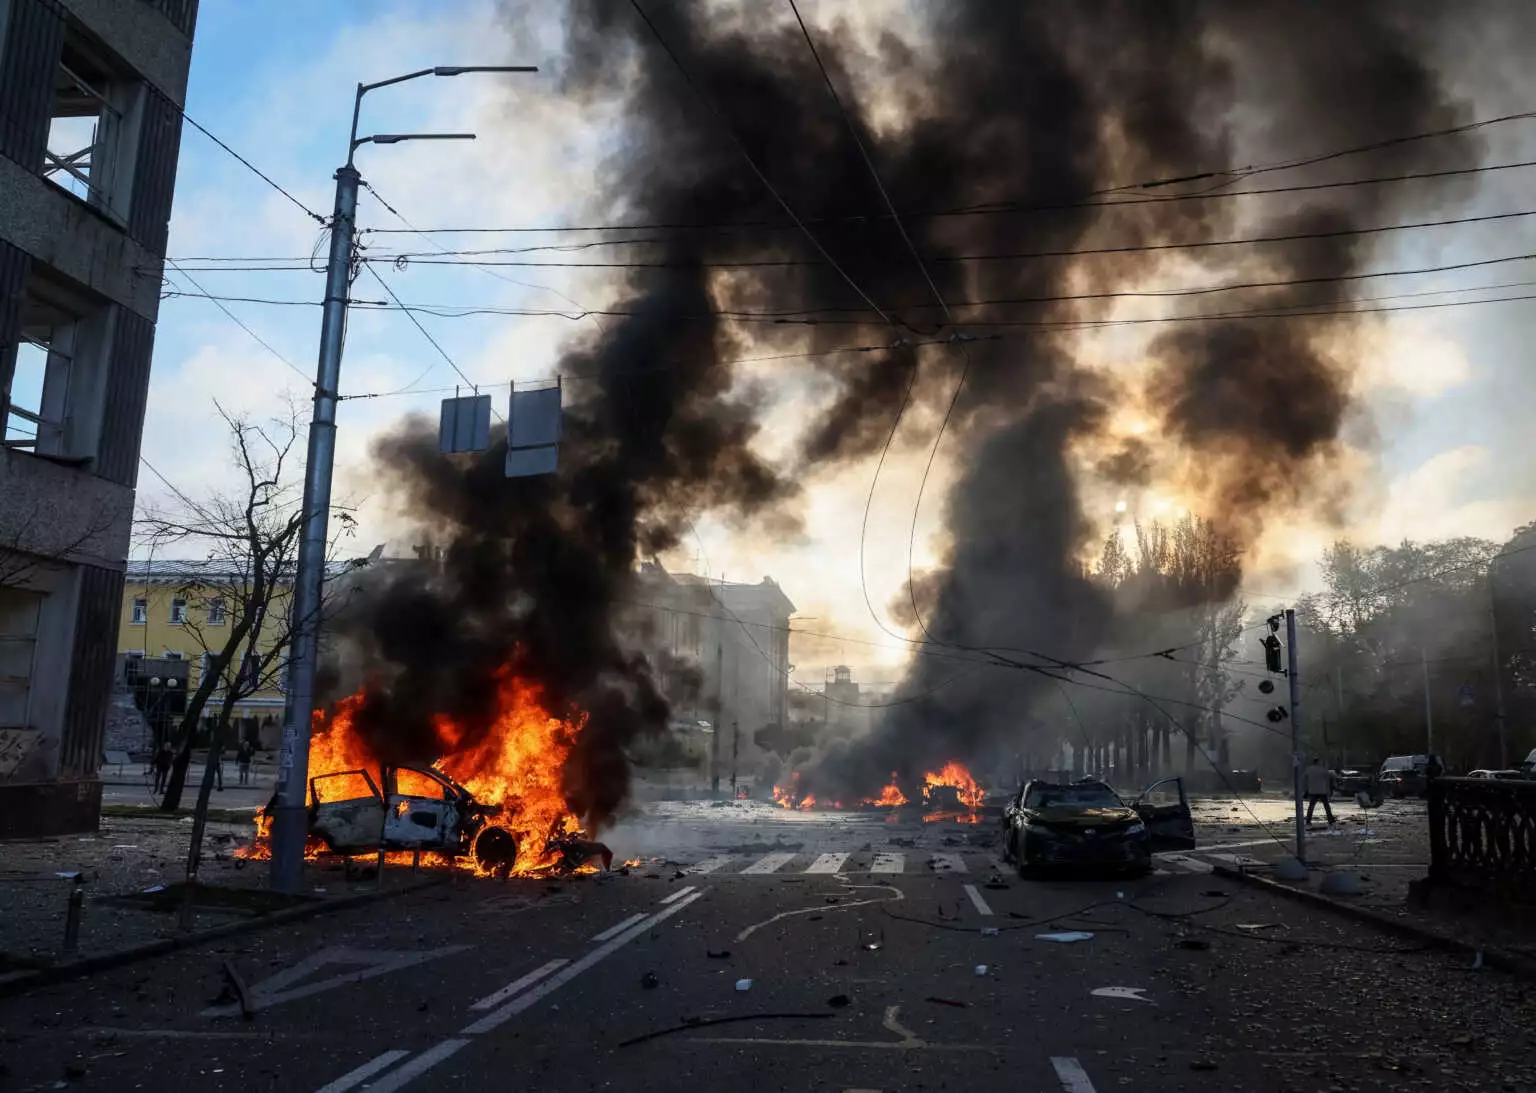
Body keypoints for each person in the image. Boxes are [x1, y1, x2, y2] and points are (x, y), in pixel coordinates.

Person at [1304, 756, 1335, 825]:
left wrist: (1306, 790)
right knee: (1326, 806)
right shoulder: (1322, 769)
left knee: (1311, 807)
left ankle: (1308, 820)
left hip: (1313, 791)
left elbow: (1305, 779)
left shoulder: (1309, 769)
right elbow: (1330, 776)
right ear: (1319, 762)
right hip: (1322, 791)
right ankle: (1330, 820)